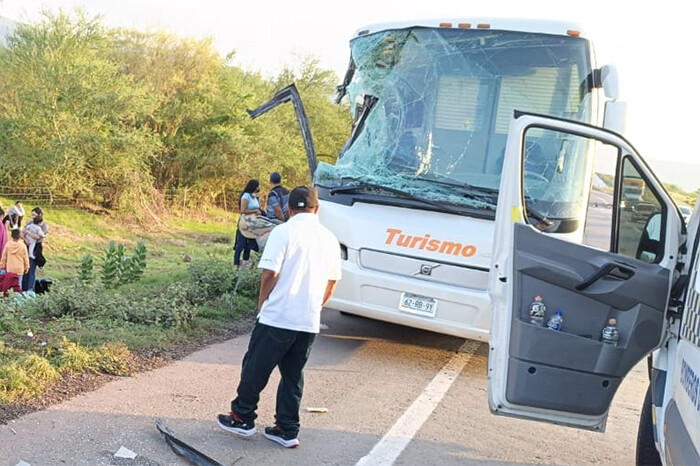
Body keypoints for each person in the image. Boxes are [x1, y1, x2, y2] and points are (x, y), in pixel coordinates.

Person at [217, 186, 342, 448]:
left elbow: (269, 273)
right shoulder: (330, 238)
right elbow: (332, 283)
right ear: (317, 209)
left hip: (278, 317)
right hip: (307, 321)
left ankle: (243, 417)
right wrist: (314, 307)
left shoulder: (283, 232)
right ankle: (286, 429)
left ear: (288, 209)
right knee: (293, 376)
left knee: (255, 367)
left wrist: (262, 304)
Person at [234, 180, 262, 269]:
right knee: (241, 244)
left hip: (252, 222)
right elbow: (243, 210)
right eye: (258, 186)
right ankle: (236, 264)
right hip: (245, 222)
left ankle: (245, 264)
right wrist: (255, 211)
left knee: (248, 245)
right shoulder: (246, 196)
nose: (259, 188)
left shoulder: (255, 197)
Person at [22, 207, 48, 292]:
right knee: (25, 267)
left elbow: (38, 237)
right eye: (32, 215)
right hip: (27, 244)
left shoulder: (43, 225)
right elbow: (22, 232)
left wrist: (28, 232)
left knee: (32, 268)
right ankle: (23, 288)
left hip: (36, 246)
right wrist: (25, 240)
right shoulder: (30, 223)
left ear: (39, 215)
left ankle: (30, 289)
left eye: (34, 215)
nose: (32, 217)